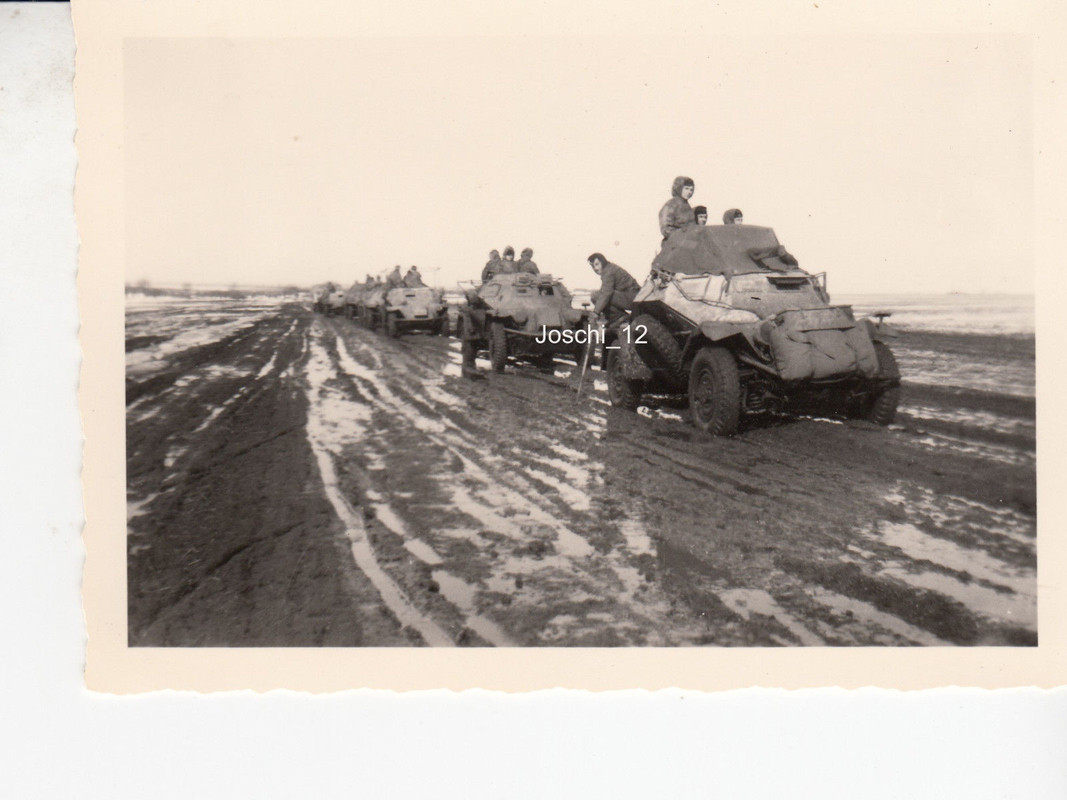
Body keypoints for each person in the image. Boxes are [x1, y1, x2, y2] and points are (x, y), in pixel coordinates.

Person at [587, 253, 641, 326]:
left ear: (603, 262)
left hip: (634, 299)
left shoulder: (608, 272)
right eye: (592, 266)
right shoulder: (610, 268)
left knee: (596, 296)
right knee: (601, 296)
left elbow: (606, 293)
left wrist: (595, 313)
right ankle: (620, 318)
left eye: (597, 264)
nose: (595, 268)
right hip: (634, 298)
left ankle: (619, 318)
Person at [658, 176, 695, 240]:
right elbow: (665, 228)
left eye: (691, 189)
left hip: (687, 241)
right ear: (679, 188)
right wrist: (681, 237)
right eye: (686, 188)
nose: (689, 192)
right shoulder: (671, 205)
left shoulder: (687, 206)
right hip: (674, 243)